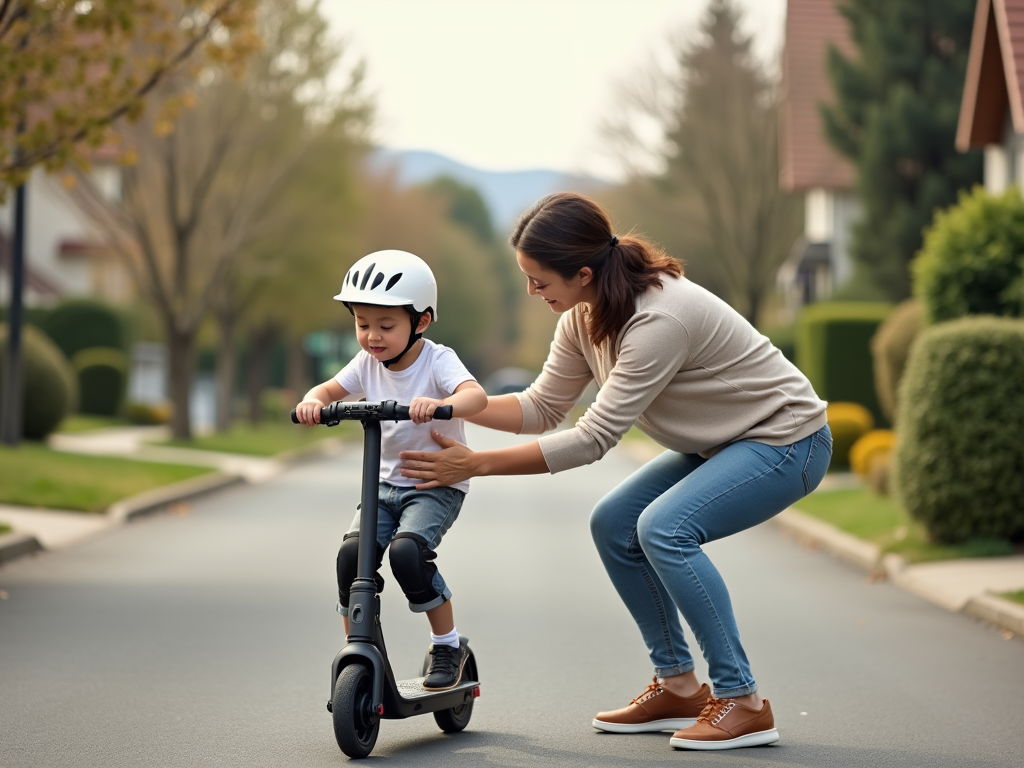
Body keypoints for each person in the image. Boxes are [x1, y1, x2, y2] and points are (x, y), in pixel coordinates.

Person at [398, 193, 832, 749]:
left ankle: (743, 701)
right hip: (723, 444)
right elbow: (543, 407)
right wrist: (459, 404)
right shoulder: (582, 314)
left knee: (665, 531)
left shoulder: (658, 318)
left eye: (539, 280)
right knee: (613, 524)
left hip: (786, 441)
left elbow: (593, 438)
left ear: (582, 273)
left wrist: (476, 463)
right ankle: (678, 685)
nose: (533, 292)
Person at [294, 249, 487, 691]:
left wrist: (443, 405)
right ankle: (361, 653)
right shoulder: (365, 363)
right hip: (382, 486)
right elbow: (327, 388)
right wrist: (313, 401)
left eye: (385, 326)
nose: (372, 337)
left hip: (435, 485)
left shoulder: (438, 360)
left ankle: (447, 645)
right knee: (350, 558)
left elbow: (476, 397)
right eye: (363, 325)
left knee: (407, 555)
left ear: (421, 321)